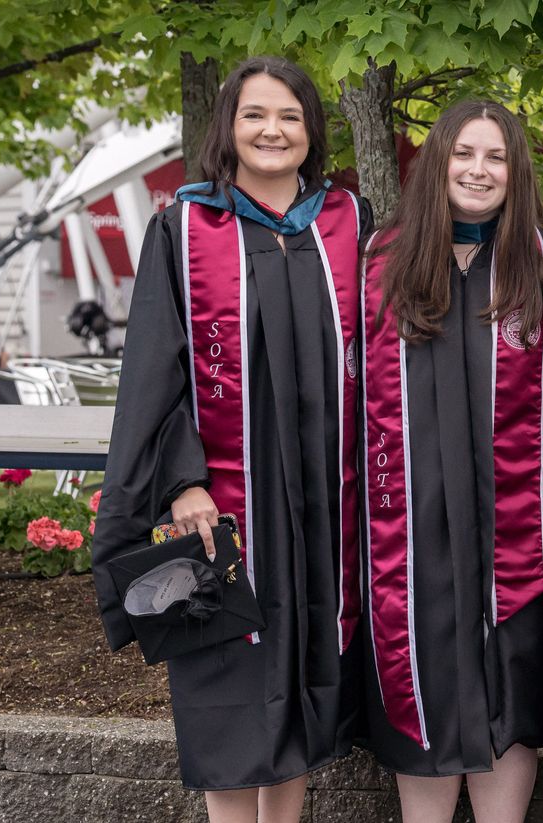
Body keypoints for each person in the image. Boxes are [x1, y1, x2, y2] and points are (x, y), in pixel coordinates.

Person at [90, 56, 369, 823]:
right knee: (228, 670)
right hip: (226, 502)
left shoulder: (348, 222)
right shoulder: (184, 227)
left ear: (311, 130)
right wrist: (183, 479)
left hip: (323, 503)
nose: (272, 129)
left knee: (303, 674)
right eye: (254, 115)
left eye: (288, 115)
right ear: (229, 127)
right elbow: (154, 368)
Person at [358, 99, 543, 822]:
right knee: (427, 676)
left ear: (517, 171)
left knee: (510, 684)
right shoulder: (378, 266)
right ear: (436, 162)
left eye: (496, 157)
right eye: (464, 154)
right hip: (410, 547)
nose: (479, 170)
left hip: (518, 543)